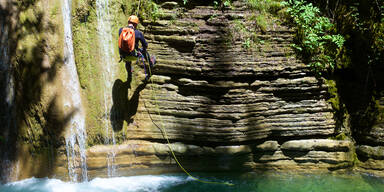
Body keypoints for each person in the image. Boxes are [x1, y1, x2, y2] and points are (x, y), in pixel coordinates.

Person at [118, 15, 155, 85]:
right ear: (135, 24)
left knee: (127, 61)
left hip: (124, 56)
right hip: (134, 56)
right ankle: (151, 65)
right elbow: (145, 45)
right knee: (144, 52)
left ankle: (129, 75)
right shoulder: (138, 33)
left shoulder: (121, 30)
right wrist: (141, 48)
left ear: (128, 22)